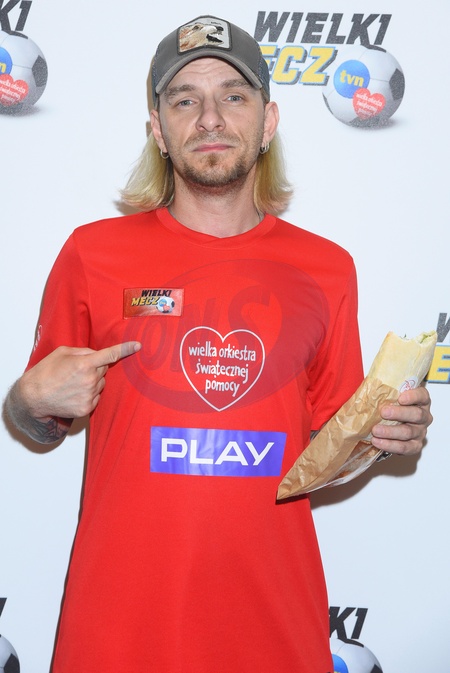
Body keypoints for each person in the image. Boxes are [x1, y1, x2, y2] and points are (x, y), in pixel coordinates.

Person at [4, 15, 432, 673]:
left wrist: (383, 437)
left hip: (274, 631)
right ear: (158, 129)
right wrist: (26, 400)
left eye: (234, 95)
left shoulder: (327, 268)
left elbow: (330, 453)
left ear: (268, 121)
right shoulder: (92, 254)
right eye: (185, 100)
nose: (210, 118)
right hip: (117, 631)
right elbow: (37, 422)